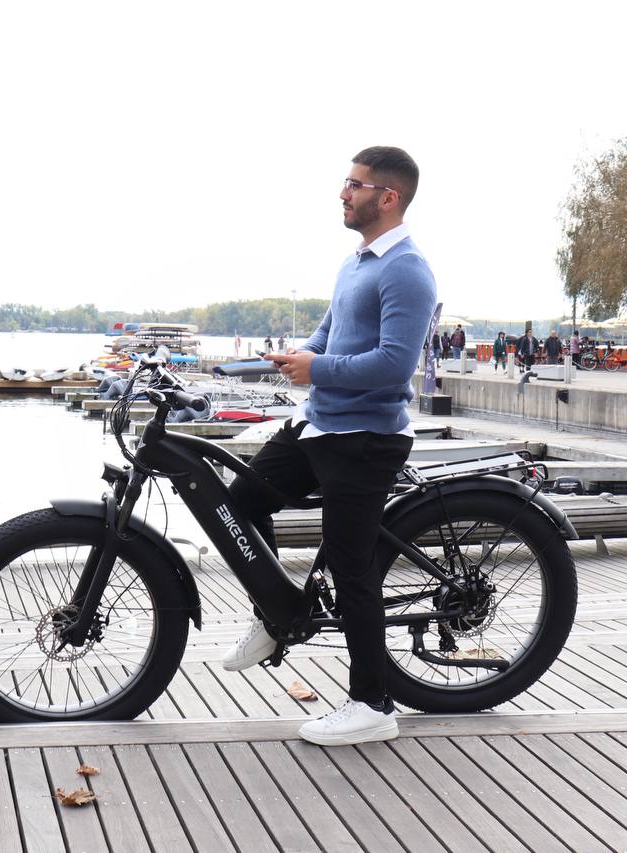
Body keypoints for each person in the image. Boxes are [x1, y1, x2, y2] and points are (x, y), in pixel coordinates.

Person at [221, 146, 435, 746]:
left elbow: (394, 366)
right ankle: (276, 615)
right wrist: (300, 355)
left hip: (366, 437)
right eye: (346, 182)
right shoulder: (357, 261)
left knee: (350, 567)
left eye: (354, 184)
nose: (343, 193)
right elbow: (329, 333)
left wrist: (318, 369)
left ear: (387, 197)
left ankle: (372, 704)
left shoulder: (407, 270)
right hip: (320, 423)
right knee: (239, 503)